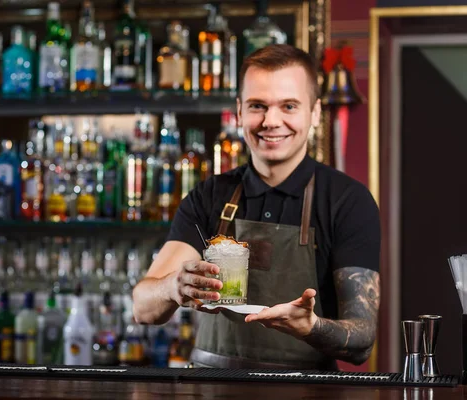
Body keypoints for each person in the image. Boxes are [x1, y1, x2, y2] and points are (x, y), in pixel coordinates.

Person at [132, 44, 381, 370]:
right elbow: (142, 309)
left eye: (289, 106)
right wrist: (171, 286)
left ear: (315, 113)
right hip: (209, 391)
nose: (271, 121)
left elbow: (361, 340)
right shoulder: (209, 195)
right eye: (257, 106)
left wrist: (311, 327)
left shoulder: (347, 201)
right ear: (239, 112)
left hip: (305, 395)